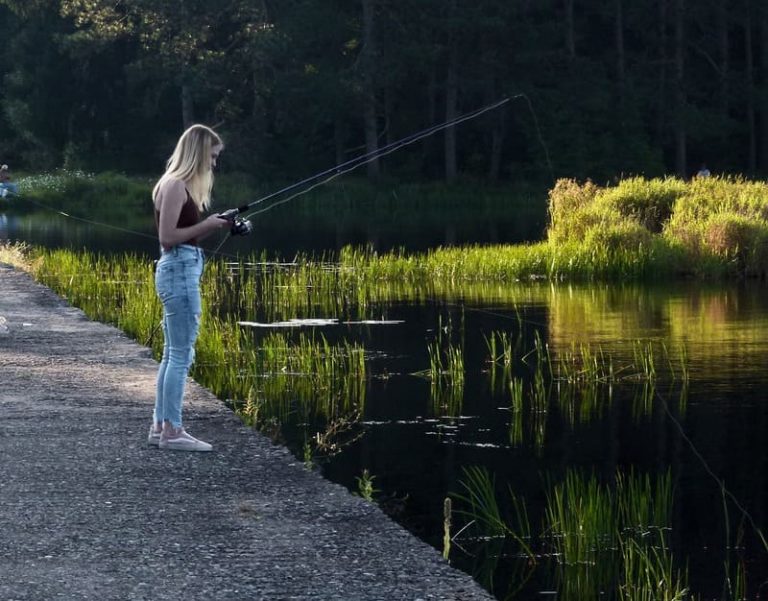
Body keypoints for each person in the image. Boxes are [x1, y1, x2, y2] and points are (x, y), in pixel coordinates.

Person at [149, 124, 231, 451]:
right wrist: (209, 224)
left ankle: (160, 427)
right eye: (211, 157)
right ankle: (172, 431)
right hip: (179, 270)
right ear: (197, 153)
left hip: (180, 268)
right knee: (181, 355)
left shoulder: (176, 186)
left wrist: (212, 226)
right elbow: (167, 238)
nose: (213, 164)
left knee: (173, 354)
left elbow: (180, 233)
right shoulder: (175, 186)